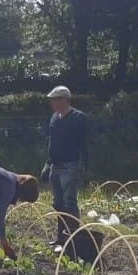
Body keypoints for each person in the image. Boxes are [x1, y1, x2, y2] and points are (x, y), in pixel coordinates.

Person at [41, 85, 89, 248]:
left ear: (65, 100)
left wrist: (85, 167)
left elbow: (83, 144)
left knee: (69, 202)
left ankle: (74, 239)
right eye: (51, 100)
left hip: (71, 165)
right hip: (55, 166)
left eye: (55, 100)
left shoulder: (78, 118)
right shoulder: (54, 118)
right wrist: (47, 164)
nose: (52, 103)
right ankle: (61, 237)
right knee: (58, 203)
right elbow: (52, 142)